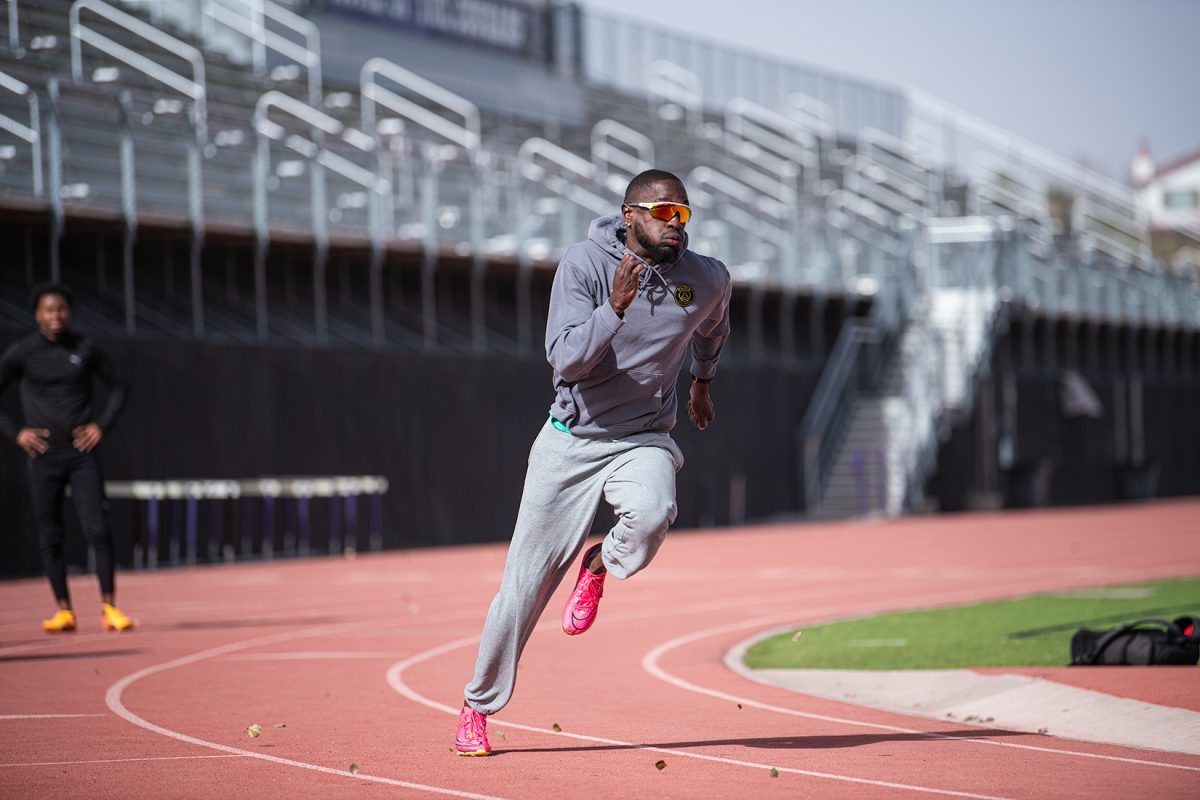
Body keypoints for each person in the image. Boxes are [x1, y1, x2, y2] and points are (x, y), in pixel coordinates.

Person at [455, 169, 731, 756]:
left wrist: (702, 382)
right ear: (630, 214)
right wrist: (615, 308)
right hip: (571, 439)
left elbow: (713, 323)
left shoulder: (704, 277)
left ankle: (599, 564)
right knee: (523, 586)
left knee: (654, 512)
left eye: (684, 214)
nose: (676, 225)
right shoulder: (583, 264)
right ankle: (478, 706)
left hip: (644, 436)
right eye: (663, 213)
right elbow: (566, 361)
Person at [0, 283, 135, 634]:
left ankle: (109, 608)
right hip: (43, 457)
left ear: (69, 312)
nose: (55, 315)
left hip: (81, 455)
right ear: (37, 315)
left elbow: (120, 386)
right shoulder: (22, 353)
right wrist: (17, 433)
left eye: (61, 309)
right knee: (50, 534)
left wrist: (101, 426)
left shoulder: (85, 348)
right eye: (48, 310)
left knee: (97, 529)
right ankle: (64, 610)